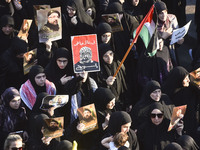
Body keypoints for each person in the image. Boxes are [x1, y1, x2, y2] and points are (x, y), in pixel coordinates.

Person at [94, 43, 131, 111]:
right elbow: (97, 91)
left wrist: (128, 102)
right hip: (108, 107)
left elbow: (124, 84)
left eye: (111, 54)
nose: (109, 58)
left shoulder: (118, 64)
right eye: (105, 56)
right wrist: (106, 83)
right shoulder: (98, 71)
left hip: (121, 102)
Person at [155, 1, 184, 66]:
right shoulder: (153, 24)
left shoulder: (172, 18)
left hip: (172, 49)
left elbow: (177, 33)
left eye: (165, 12)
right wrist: (163, 37)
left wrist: (179, 40)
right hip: (161, 53)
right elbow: (154, 45)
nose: (164, 15)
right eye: (161, 13)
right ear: (156, 14)